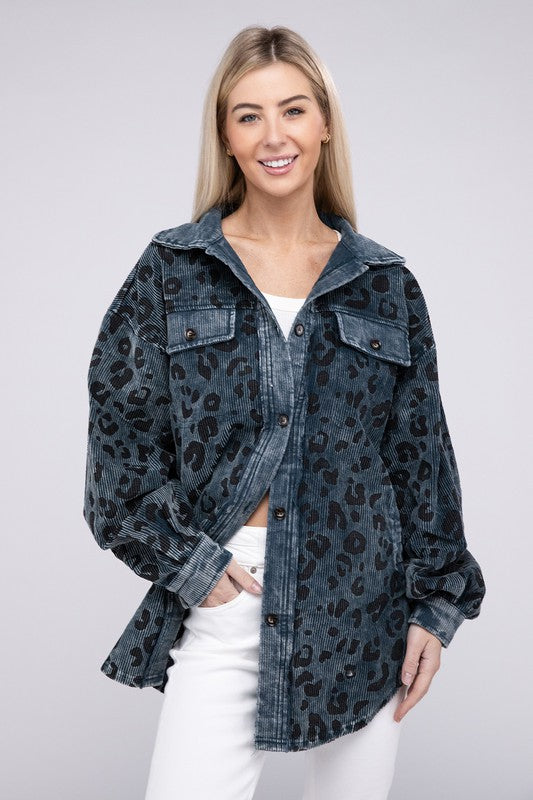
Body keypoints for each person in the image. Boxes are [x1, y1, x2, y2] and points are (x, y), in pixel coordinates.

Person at [82, 24, 486, 800]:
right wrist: (192, 568)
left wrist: (435, 609)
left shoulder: (384, 285)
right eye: (249, 115)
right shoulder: (172, 270)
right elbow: (118, 452)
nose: (274, 136)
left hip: (361, 607)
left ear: (324, 123)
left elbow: (420, 460)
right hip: (231, 596)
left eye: (293, 110)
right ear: (225, 137)